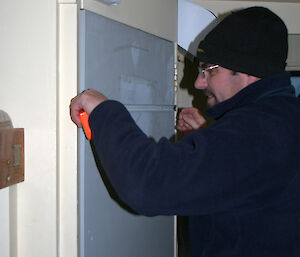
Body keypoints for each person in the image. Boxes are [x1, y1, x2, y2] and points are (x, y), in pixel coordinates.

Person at [70, 6, 300, 257]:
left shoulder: (258, 131)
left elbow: (147, 185)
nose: (198, 82)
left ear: (244, 70)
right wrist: (209, 136)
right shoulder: (282, 118)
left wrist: (104, 110)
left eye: (209, 69)